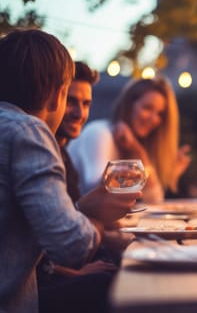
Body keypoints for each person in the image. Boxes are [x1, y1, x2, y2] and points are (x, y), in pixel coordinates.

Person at [0, 28, 137, 313]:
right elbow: (72, 246)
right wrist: (96, 213)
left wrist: (80, 208)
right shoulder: (28, 132)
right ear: (57, 94)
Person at [38, 61, 130, 313]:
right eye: (71, 101)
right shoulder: (38, 156)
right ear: (54, 98)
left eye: (86, 104)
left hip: (70, 265)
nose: (80, 113)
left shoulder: (64, 155)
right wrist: (76, 273)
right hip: (41, 285)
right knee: (114, 283)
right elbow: (33, 244)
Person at [68, 77, 191, 204]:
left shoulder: (135, 144)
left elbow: (155, 200)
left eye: (159, 114)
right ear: (129, 105)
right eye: (147, 108)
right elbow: (94, 192)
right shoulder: (99, 132)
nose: (153, 119)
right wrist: (138, 155)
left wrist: (138, 151)